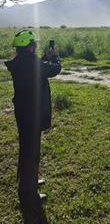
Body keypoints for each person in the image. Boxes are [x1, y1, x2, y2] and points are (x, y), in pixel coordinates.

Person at [5, 30, 61, 224]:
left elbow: (39, 67)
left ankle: (27, 183)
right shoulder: (33, 64)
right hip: (32, 115)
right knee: (31, 153)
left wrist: (45, 58)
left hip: (23, 113)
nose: (35, 47)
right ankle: (29, 196)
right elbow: (53, 69)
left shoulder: (21, 63)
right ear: (29, 46)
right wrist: (56, 57)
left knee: (25, 150)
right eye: (34, 44)